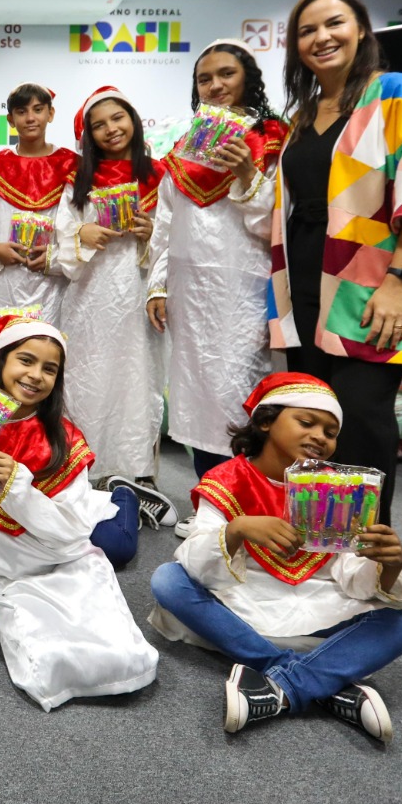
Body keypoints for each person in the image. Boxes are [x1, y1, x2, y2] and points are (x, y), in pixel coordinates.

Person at [148, 372, 402, 742]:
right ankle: (324, 679)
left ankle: (282, 685)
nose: (320, 437)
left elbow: (352, 576)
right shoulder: (228, 479)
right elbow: (197, 567)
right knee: (168, 581)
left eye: (330, 433)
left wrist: (387, 565)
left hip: (319, 602)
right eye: (307, 422)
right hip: (241, 602)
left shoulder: (341, 490)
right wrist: (237, 531)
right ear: (266, 421)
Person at [268, 0, 402, 524]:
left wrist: (399, 280)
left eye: (334, 24)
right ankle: (320, 540)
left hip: (373, 283)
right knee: (315, 417)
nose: (321, 37)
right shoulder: (304, 116)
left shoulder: (397, 93)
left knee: (362, 416)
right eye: (307, 31)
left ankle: (369, 549)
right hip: (307, 281)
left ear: (362, 31)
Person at [0, 318, 159, 711]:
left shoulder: (64, 438)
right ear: (0, 362)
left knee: (122, 657)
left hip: (64, 560)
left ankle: (122, 494)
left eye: (49, 369)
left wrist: (18, 486)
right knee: (50, 664)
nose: (36, 375)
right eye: (25, 360)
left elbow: (69, 531)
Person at [147, 40, 288, 536]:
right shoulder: (185, 147)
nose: (215, 85)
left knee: (240, 394)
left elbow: (275, 226)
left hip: (244, 289)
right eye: (205, 79)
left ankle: (250, 502)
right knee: (194, 396)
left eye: (226, 74)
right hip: (190, 292)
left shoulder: (274, 141)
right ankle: (212, 500)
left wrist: (248, 172)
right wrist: (156, 285)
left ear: (248, 77)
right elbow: (164, 224)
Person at [54, 86, 173, 526]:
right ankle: (86, 469)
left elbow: (177, 237)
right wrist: (80, 236)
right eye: (98, 124)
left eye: (117, 118)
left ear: (134, 118)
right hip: (90, 292)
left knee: (138, 377)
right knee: (87, 376)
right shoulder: (78, 177)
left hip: (138, 290)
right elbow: (59, 232)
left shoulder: (159, 174)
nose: (110, 129)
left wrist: (150, 231)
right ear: (87, 134)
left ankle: (137, 474)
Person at [0, 83, 79, 327]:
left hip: (54, 282)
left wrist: (56, 258)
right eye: (21, 112)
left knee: (50, 347)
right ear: (10, 119)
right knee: (3, 343)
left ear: (51, 114)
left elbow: (79, 224)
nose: (30, 118)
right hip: (4, 280)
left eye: (38, 110)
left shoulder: (71, 166)